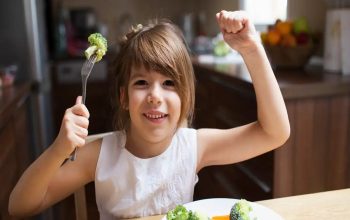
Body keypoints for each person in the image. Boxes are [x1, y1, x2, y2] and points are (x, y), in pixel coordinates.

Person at [9, 10, 290, 219]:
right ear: (124, 98)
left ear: (185, 97)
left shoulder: (194, 146)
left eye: (169, 83)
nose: (155, 95)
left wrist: (252, 50)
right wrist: (59, 149)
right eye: (141, 83)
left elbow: (274, 133)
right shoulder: (98, 156)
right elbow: (20, 207)